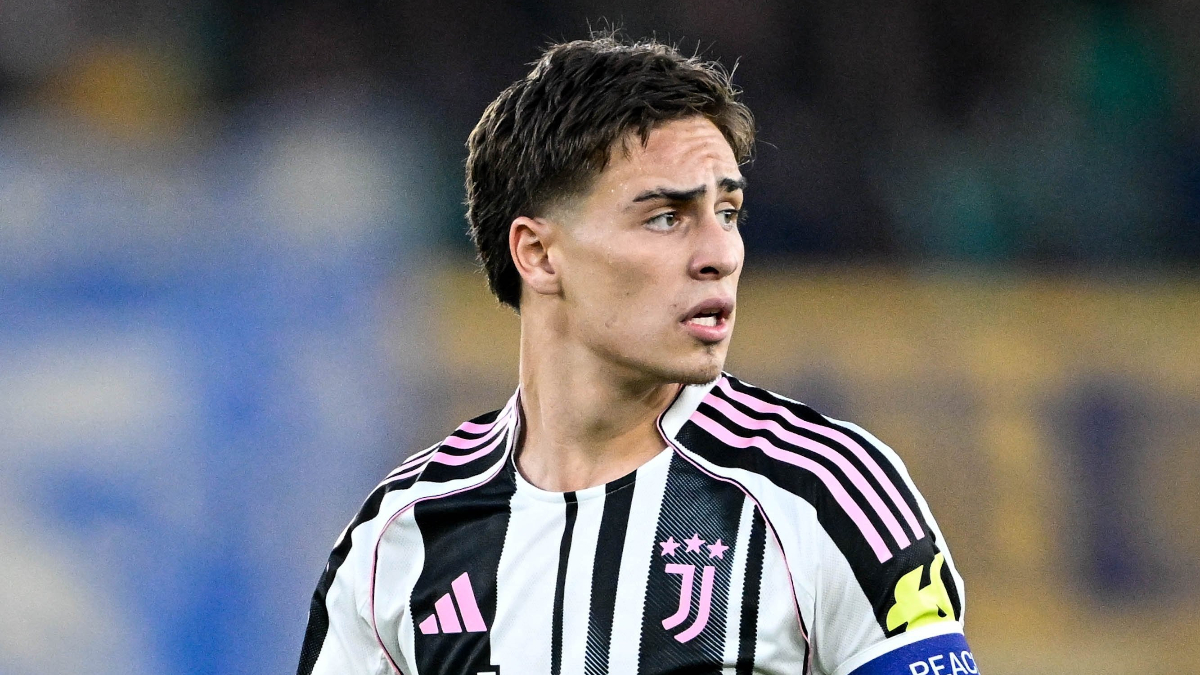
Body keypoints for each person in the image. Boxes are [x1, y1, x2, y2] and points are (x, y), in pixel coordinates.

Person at [296, 34, 979, 675]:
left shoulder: (824, 492)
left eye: (728, 213)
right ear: (539, 254)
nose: (719, 254)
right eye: (665, 218)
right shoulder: (398, 539)